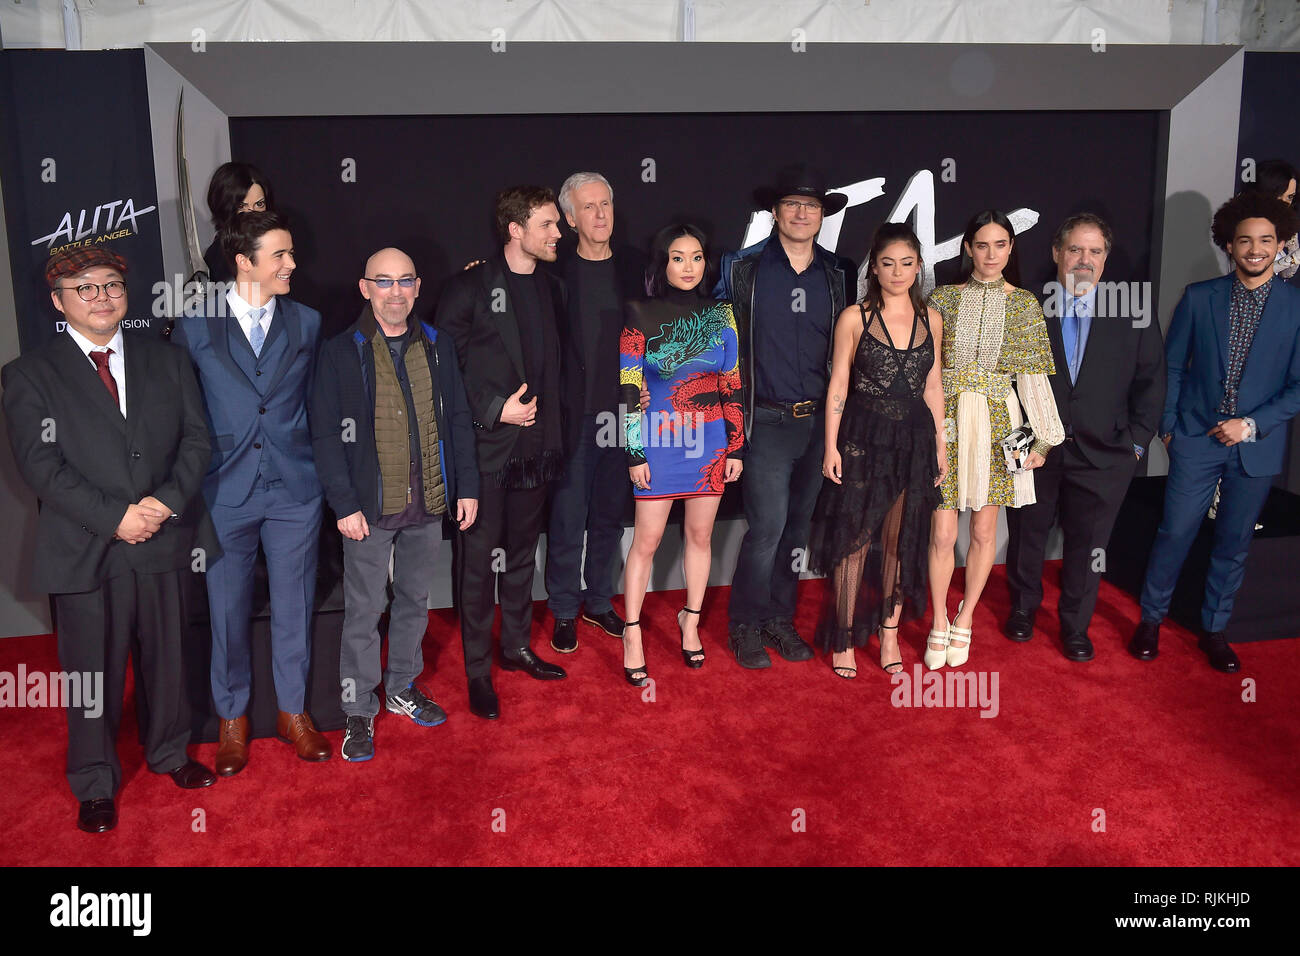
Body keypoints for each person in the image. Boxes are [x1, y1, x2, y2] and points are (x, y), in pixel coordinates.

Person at [2, 247, 217, 833]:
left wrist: (165, 503)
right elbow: (40, 468)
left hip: (164, 538)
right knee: (91, 674)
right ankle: (95, 781)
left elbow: (198, 442)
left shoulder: (167, 360)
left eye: (111, 285)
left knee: (169, 659)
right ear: (58, 301)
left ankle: (170, 752)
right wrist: (117, 516)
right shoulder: (28, 375)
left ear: (125, 292)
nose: (101, 297)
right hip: (85, 549)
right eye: (85, 288)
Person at [172, 210, 331, 773]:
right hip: (223, 491)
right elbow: (183, 415)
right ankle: (232, 719)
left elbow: (315, 404)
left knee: (295, 605)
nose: (293, 263)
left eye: (290, 253)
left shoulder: (308, 322)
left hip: (295, 490)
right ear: (244, 261)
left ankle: (294, 714)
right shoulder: (194, 326)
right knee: (226, 609)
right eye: (281, 255)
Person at [311, 247, 480, 761]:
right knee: (364, 610)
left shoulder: (437, 345)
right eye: (384, 282)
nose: (395, 292)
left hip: (428, 502)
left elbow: (457, 420)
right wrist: (343, 504)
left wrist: (466, 487)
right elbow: (324, 435)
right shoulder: (341, 352)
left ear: (418, 287)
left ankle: (403, 687)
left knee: (414, 602)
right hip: (368, 507)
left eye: (405, 281)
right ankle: (359, 711)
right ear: (365, 288)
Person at [1128, 193, 1300, 672]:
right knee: (1175, 531)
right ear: (1229, 244)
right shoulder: (1201, 297)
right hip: (1196, 440)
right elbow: (1172, 368)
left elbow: (1298, 386)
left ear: (1281, 244)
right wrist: (1169, 429)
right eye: (1245, 240)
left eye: (1267, 240)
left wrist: (1252, 424)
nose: (1256, 249)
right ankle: (1151, 619)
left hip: (1257, 447)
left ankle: (1214, 628)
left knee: (1233, 540)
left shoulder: (1296, 306)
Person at [1003, 214, 1166, 660]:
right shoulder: (1027, 306)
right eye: (1075, 249)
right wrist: (1019, 443)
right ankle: (1022, 610)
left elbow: (1152, 382)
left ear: (1106, 258)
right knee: (1027, 537)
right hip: (1036, 450)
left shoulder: (1131, 310)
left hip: (1106, 453)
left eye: (1095, 252)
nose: (1084, 260)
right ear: (1057, 253)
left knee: (1088, 547)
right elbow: (1006, 384)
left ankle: (1075, 626)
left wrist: (1134, 445)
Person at [715, 164, 857, 670]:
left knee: (797, 530)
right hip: (765, 422)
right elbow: (715, 342)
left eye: (812, 206)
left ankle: (780, 619)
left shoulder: (839, 273)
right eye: (792, 204)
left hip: (819, 424)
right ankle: (745, 625)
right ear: (775, 212)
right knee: (767, 529)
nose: (802, 213)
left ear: (822, 216)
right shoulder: (742, 268)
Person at [435, 186, 569, 720]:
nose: (558, 233)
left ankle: (514, 648)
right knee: (475, 567)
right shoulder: (469, 287)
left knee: (519, 557)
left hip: (538, 451)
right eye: (547, 225)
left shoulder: (554, 289)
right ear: (516, 230)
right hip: (487, 449)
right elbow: (444, 370)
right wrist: (495, 409)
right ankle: (475, 671)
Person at [926, 210, 1064, 669]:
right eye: (982, 245)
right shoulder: (941, 298)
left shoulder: (1024, 304)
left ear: (1011, 248)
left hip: (1000, 423)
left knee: (985, 529)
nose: (990, 254)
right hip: (945, 419)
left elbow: (1032, 379)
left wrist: (1043, 439)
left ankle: (965, 619)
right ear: (968, 248)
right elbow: (925, 370)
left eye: (1000, 244)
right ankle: (940, 620)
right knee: (943, 531)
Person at [808, 223, 945, 679]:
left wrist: (941, 447)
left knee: (900, 542)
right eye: (888, 263)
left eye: (907, 263)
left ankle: (888, 630)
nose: (898, 271)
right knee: (855, 538)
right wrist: (830, 445)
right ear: (874, 267)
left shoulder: (933, 319)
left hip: (915, 442)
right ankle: (844, 635)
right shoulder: (855, 317)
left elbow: (933, 386)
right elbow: (839, 386)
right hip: (863, 438)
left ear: (919, 266)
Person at [618, 224, 744, 685]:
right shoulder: (638, 312)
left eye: (695, 257)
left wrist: (735, 446)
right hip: (659, 441)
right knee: (646, 543)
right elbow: (629, 390)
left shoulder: (722, 314)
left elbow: (731, 383)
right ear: (663, 263)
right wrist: (634, 454)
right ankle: (632, 632)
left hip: (710, 444)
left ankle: (690, 620)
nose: (687, 267)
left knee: (700, 536)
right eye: (677, 257)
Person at [543, 172, 646, 653]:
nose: (601, 214)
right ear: (569, 218)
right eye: (589, 207)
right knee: (567, 517)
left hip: (624, 417)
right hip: (572, 416)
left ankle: (598, 600)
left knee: (608, 516)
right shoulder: (553, 273)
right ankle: (563, 608)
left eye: (606, 203)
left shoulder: (636, 269)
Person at [202, 161, 275, 283]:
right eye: (241, 206)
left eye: (259, 204)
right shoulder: (220, 255)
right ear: (224, 207)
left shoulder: (271, 244)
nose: (253, 213)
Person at [1240, 158, 1298, 281]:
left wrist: (1293, 251)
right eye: (1278, 195)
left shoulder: (1283, 225)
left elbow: (1287, 274)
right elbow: (1253, 274)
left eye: (1289, 197)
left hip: (1275, 297)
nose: (1284, 203)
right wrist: (1294, 258)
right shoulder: (1242, 225)